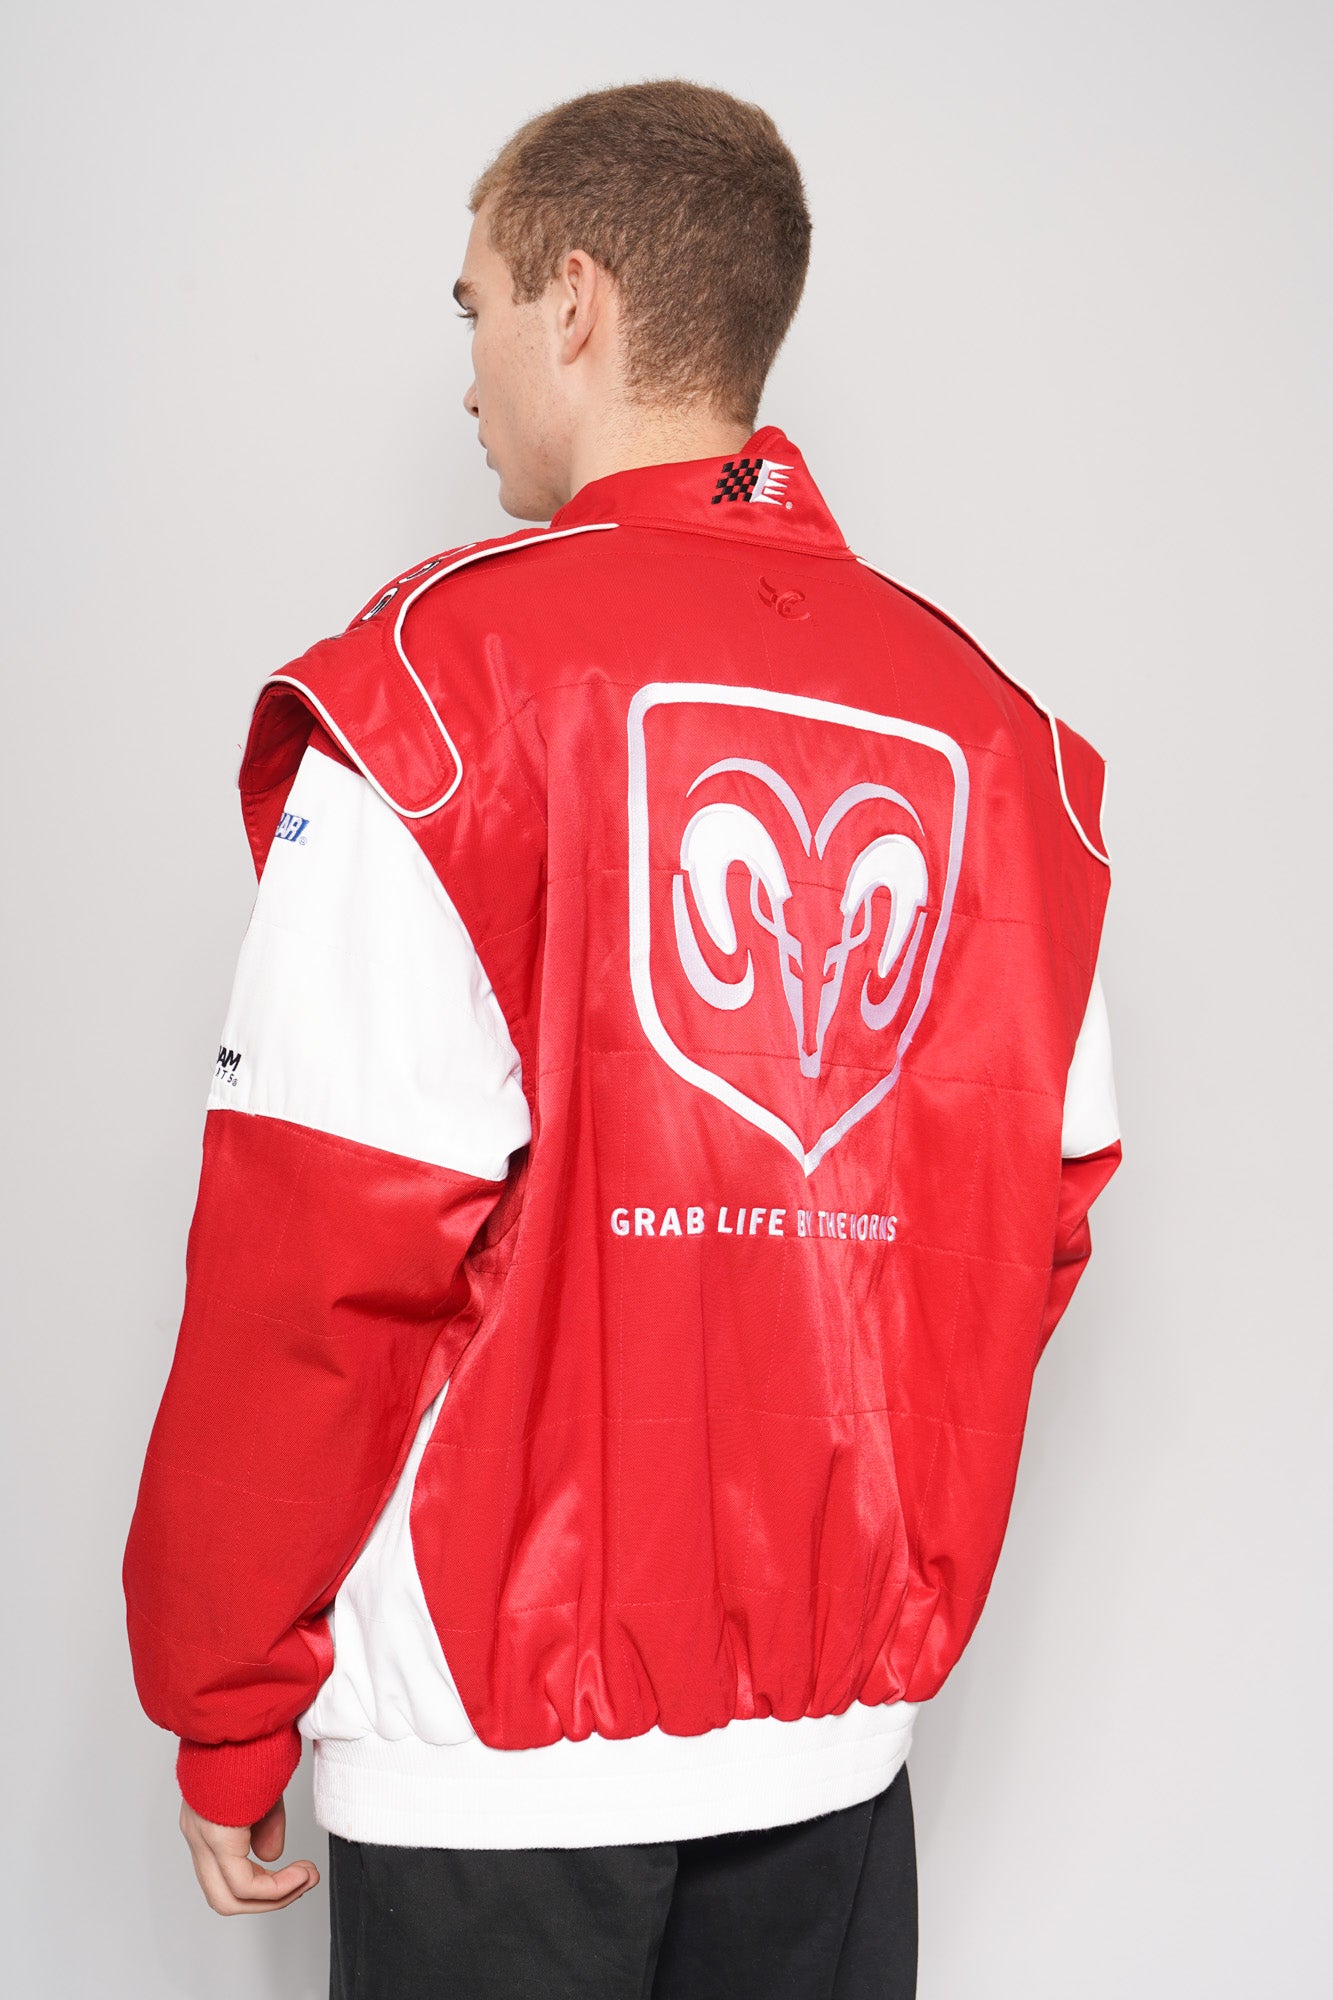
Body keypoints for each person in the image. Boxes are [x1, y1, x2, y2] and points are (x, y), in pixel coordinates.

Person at [123, 79, 1121, 1999]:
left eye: (475, 304)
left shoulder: (438, 693)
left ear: (571, 301)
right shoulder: (1003, 744)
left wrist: (226, 1697)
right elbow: (1030, 1225)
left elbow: (312, 1257)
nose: (467, 372)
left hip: (491, 1762)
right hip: (835, 1758)